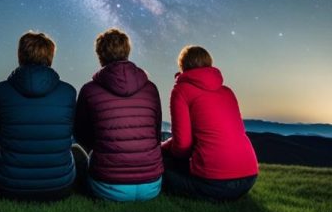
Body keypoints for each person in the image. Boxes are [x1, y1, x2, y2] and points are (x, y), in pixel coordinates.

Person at [0, 31, 85, 201]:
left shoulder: (0, 90)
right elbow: (69, 134)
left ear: (20, 55)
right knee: (76, 150)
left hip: (10, 187)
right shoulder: (68, 92)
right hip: (59, 187)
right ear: (50, 56)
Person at [74, 28, 163, 201]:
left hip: (108, 186)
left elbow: (81, 134)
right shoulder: (150, 88)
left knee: (76, 153)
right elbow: (156, 132)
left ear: (100, 56)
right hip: (151, 186)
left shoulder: (89, 90)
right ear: (127, 52)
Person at [162, 45, 258, 201]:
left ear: (183, 66)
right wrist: (164, 146)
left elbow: (182, 146)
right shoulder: (227, 91)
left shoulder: (181, 91)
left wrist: (161, 151)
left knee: (157, 168)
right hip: (249, 178)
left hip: (214, 183)